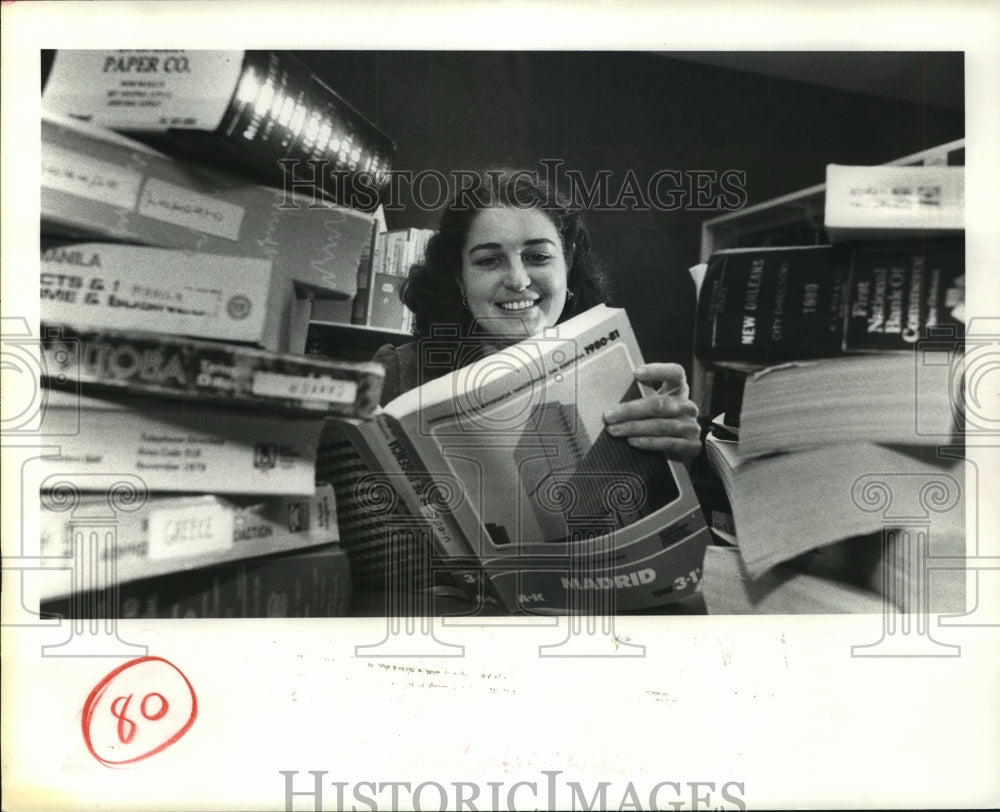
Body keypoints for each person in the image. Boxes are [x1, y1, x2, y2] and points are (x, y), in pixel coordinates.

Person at [372, 169, 702, 466]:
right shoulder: (396, 373)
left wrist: (677, 462)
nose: (518, 280)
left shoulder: (624, 381)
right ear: (459, 277)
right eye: (489, 261)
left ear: (568, 265)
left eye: (538, 257)